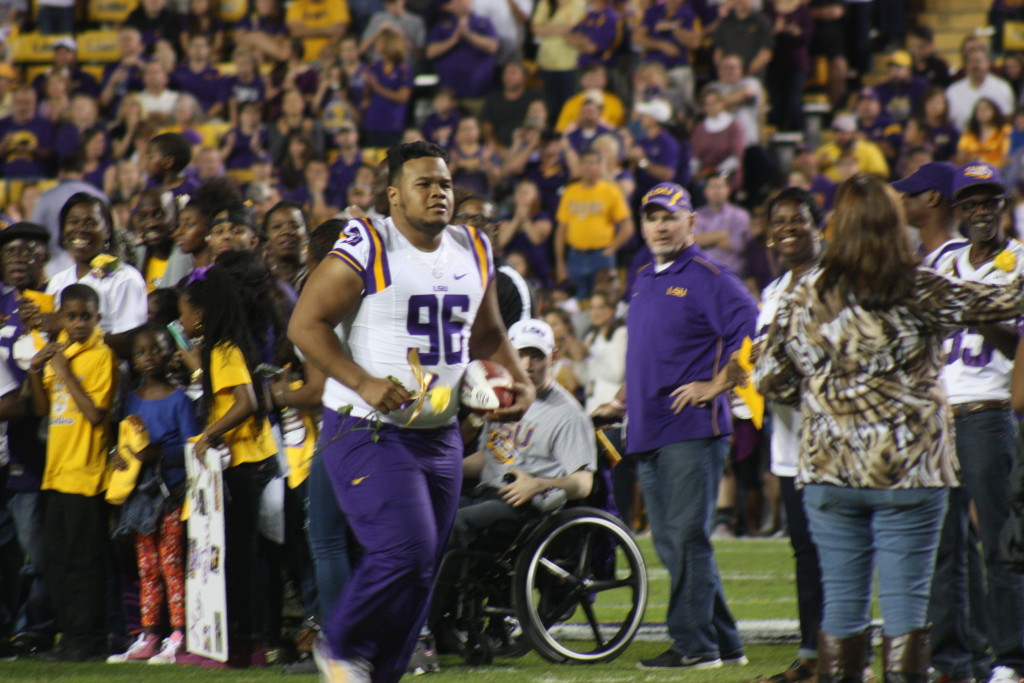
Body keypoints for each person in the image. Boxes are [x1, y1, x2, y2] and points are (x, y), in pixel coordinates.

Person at [754, 173, 1024, 683]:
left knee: (843, 611)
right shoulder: (918, 284)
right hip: (910, 468)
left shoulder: (800, 294)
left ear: (838, 225)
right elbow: (1003, 302)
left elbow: (768, 378)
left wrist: (824, 396)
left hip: (830, 467)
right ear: (891, 222)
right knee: (906, 614)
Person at [287, 141, 534, 683]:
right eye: (424, 184)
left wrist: (517, 379)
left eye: (445, 183)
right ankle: (342, 645)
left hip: (440, 432)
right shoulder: (368, 243)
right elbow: (304, 324)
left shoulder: (474, 246)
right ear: (394, 195)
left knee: (423, 568)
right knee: (404, 547)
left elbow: (488, 332)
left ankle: (381, 674)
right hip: (367, 429)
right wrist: (364, 381)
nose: (438, 193)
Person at [593, 182, 754, 670]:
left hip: (691, 428)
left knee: (683, 536)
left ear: (692, 223)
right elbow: (649, 348)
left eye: (670, 216)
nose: (660, 225)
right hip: (649, 426)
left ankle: (694, 646)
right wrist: (622, 398)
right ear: (642, 225)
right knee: (674, 538)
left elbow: (751, 329)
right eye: (652, 217)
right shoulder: (642, 276)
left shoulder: (710, 275)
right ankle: (724, 641)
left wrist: (716, 385)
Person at [929, 163, 1024, 683]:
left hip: (989, 413)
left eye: (989, 202)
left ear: (1002, 205)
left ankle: (1011, 656)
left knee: (999, 542)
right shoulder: (943, 258)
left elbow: (1019, 347)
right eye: (970, 204)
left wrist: (976, 313)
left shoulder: (1020, 262)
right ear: (958, 211)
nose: (980, 211)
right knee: (943, 545)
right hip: (939, 419)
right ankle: (952, 658)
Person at [738, 187, 825, 683]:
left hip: (832, 444)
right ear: (768, 234)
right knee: (805, 552)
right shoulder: (772, 293)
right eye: (780, 221)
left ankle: (839, 657)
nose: (788, 227)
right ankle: (812, 655)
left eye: (799, 219)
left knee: (838, 552)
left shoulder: (833, 282)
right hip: (790, 443)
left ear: (818, 227)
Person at [176, 266, 278, 666]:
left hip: (244, 465)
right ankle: (231, 642)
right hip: (242, 462)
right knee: (237, 555)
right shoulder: (221, 348)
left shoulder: (224, 350)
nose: (181, 322)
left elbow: (246, 402)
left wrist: (207, 435)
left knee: (239, 557)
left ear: (199, 314)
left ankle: (244, 644)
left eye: (183, 313)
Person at [28, 284, 117, 662]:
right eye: (72, 316)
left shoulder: (101, 355)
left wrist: (62, 370)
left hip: (85, 473)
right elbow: (42, 409)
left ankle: (88, 639)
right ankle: (70, 636)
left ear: (98, 318)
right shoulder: (60, 350)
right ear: (60, 317)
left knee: (84, 562)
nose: (78, 324)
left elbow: (96, 414)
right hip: (56, 472)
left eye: (86, 317)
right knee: (57, 560)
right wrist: (36, 370)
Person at [450, 317, 596, 546]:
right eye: (520, 355)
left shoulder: (568, 415)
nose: (527, 365)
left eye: (536, 356)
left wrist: (539, 485)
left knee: (454, 523)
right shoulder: (505, 398)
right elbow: (490, 456)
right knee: (430, 515)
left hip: (526, 509)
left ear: (554, 357)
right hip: (486, 493)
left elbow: (584, 483)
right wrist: (446, 469)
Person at [106, 325, 199, 665]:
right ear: (133, 359)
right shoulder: (130, 399)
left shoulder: (179, 401)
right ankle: (149, 634)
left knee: (171, 565)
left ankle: (178, 634)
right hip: (138, 498)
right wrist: (117, 454)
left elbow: (193, 448)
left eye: (156, 350)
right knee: (147, 567)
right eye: (142, 353)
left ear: (169, 354)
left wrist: (160, 453)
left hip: (170, 494)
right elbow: (124, 440)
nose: (149, 358)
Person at [45, 193, 148, 358]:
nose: (80, 229)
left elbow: (133, 343)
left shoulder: (124, 278)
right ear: (63, 231)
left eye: (90, 222)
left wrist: (70, 329)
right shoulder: (58, 281)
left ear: (107, 230)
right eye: (73, 222)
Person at [553, 150, 633, 299]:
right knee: (578, 300)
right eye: (586, 163)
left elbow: (628, 226)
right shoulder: (570, 192)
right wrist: (560, 262)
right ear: (580, 166)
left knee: (605, 298)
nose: (589, 167)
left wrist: (611, 249)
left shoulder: (611, 191)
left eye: (594, 163)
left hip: (601, 255)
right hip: (575, 255)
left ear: (600, 166)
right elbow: (561, 230)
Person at [892, 162, 967, 269]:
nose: (902, 198)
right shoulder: (914, 256)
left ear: (933, 198)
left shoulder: (965, 259)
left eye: (910, 193)